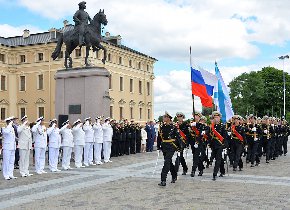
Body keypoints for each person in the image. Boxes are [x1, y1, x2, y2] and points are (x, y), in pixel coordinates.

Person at [157, 111, 181, 187]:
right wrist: (158, 146)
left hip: (171, 145)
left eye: (165, 117)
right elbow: (159, 137)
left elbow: (178, 137)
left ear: (168, 118)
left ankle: (163, 180)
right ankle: (174, 176)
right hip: (164, 146)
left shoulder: (173, 127)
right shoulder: (162, 126)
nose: (163, 118)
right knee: (169, 162)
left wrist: (180, 147)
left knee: (167, 162)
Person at [208, 111, 227, 181]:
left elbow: (225, 137)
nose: (216, 119)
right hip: (213, 145)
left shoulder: (222, 126)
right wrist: (209, 143)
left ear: (220, 118)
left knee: (218, 159)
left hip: (220, 145)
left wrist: (225, 145)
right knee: (220, 159)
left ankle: (214, 174)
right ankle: (222, 171)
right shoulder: (211, 126)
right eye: (215, 117)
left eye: (217, 117)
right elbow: (209, 136)